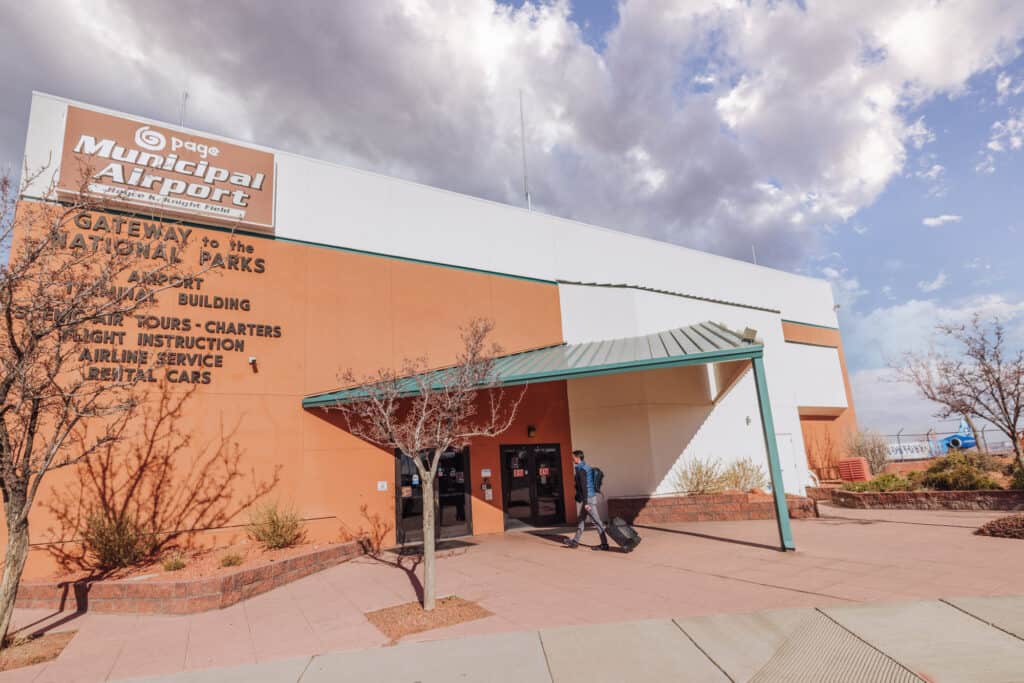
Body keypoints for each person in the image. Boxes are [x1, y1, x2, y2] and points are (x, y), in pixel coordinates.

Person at [565, 450, 608, 550]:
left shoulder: (581, 470)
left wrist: (585, 503)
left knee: (597, 522)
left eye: (573, 457)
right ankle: (575, 541)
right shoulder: (585, 467)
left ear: (577, 458)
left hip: (588, 499)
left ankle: (605, 545)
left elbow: (584, 487)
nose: (572, 459)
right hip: (588, 498)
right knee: (581, 520)